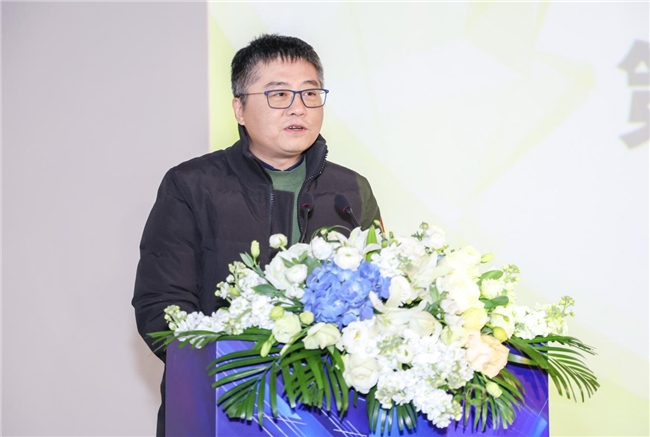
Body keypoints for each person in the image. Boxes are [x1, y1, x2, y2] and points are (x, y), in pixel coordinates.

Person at [132, 34, 381, 436]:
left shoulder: (350, 190)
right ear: (240, 108)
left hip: (332, 414)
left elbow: (380, 297)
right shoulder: (192, 185)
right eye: (279, 94)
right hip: (225, 407)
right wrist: (239, 371)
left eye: (310, 93)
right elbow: (161, 306)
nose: (298, 107)